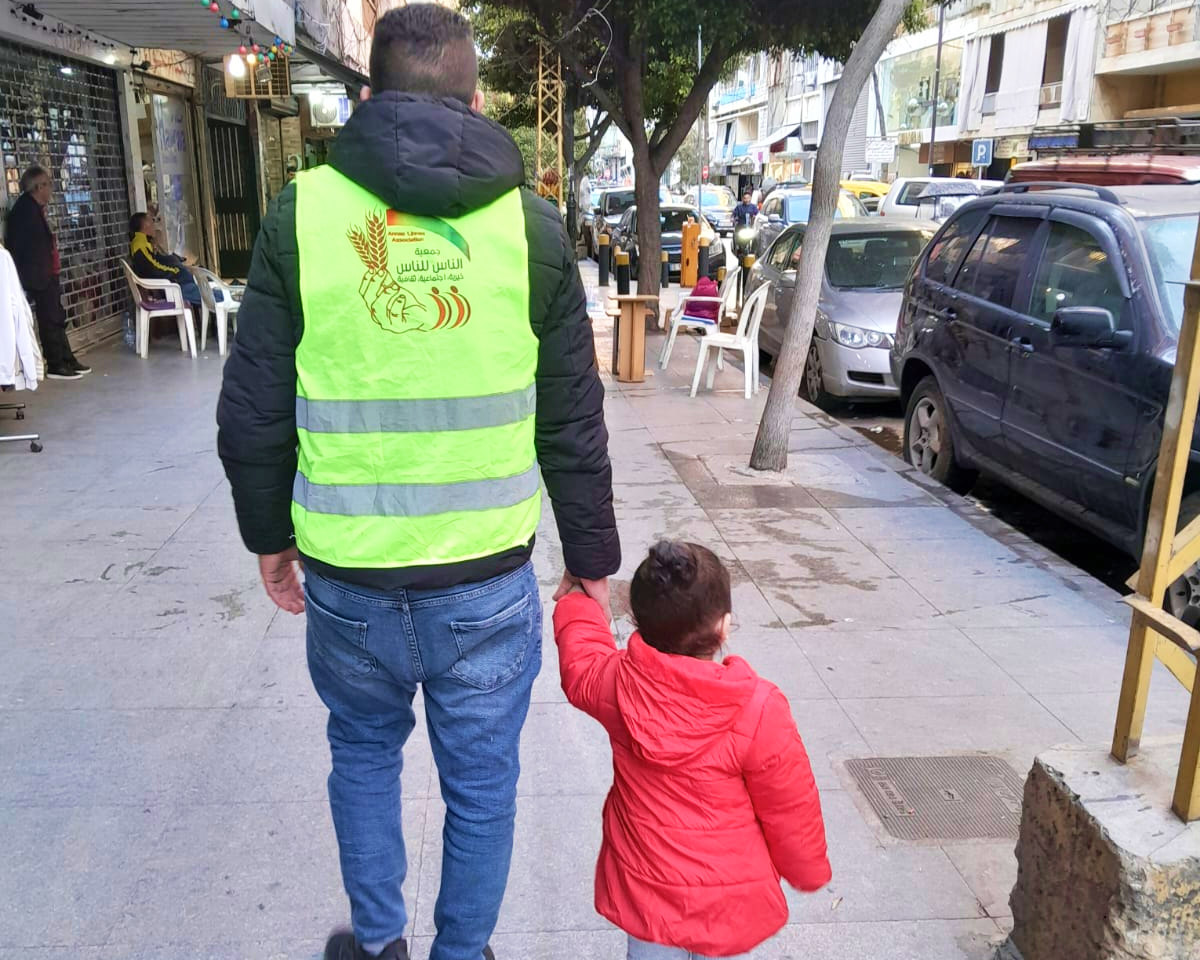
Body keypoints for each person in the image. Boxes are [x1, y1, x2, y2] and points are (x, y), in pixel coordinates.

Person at [216, 5, 619, 960]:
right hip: (485, 580)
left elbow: (254, 408)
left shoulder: (302, 215)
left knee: (362, 757)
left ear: (369, 97)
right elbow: (572, 415)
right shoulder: (533, 228)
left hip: (349, 579)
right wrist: (591, 558)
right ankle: (462, 952)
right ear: (476, 104)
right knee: (482, 786)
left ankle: (379, 943)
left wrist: (268, 538)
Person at [553, 540, 832, 960]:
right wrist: (807, 869)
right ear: (724, 627)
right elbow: (789, 803)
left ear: (636, 619)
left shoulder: (616, 684)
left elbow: (581, 660)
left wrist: (579, 596)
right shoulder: (758, 708)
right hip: (727, 899)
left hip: (647, 891)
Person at [3, 165, 89, 379]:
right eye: (48, 184)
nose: (51, 189)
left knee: (57, 316)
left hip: (46, 272)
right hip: (37, 275)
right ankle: (56, 364)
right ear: (39, 187)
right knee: (49, 318)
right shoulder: (24, 211)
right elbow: (19, 247)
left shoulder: (34, 209)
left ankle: (67, 358)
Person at [128, 213, 203, 307]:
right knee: (203, 292)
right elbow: (153, 268)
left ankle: (214, 296)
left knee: (198, 285)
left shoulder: (144, 242)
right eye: (152, 221)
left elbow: (156, 263)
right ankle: (217, 298)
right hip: (167, 286)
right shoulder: (139, 245)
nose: (154, 225)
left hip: (169, 283)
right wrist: (174, 271)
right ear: (145, 226)